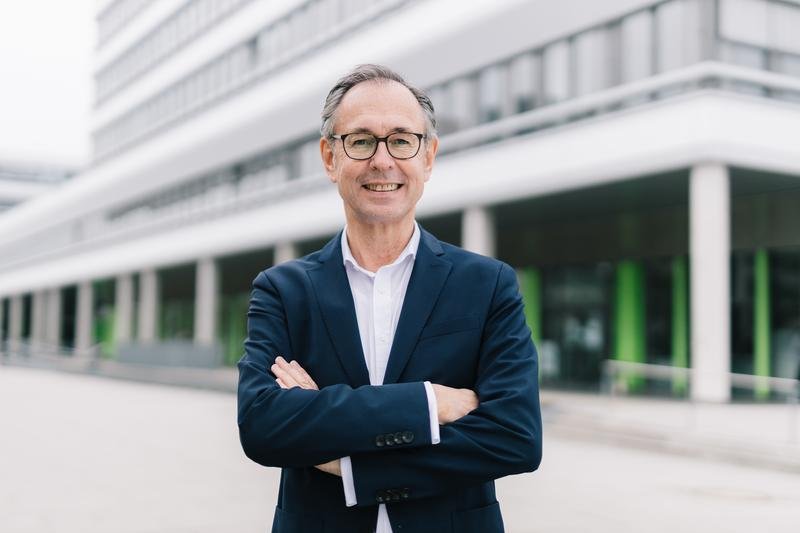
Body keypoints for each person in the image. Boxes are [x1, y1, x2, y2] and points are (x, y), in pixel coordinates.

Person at [237, 64, 542, 533]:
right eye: (361, 141)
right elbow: (263, 426)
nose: (383, 161)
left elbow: (514, 437)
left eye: (402, 140)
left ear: (429, 157)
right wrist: (429, 403)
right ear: (329, 157)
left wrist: (351, 465)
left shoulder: (488, 285)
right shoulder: (283, 291)